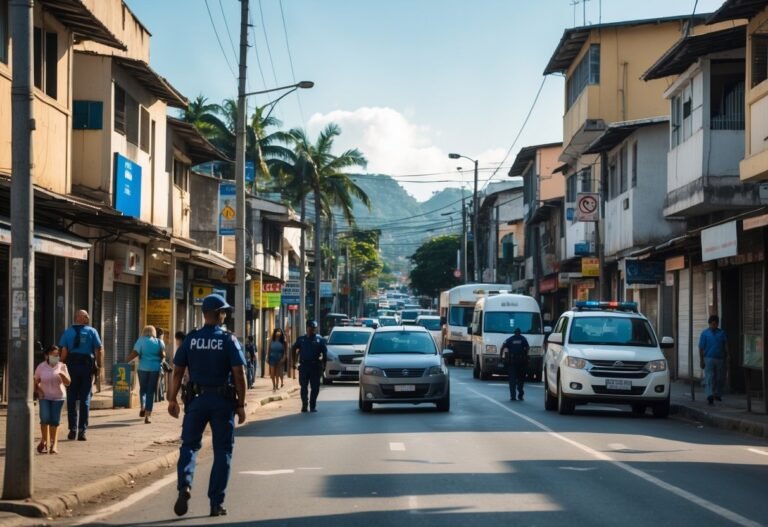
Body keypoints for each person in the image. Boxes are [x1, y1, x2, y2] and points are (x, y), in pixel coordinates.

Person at [166, 294, 247, 518]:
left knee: (189, 446)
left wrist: (172, 399)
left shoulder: (191, 339)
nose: (224, 315)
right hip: (222, 402)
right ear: (219, 314)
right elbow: (239, 373)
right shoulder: (228, 340)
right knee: (222, 451)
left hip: (196, 401)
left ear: (204, 315)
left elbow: (178, 370)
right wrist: (241, 404)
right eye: (224, 312)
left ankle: (185, 485)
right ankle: (215, 503)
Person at [59, 309, 103, 441]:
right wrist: (100, 366)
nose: (88, 318)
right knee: (84, 398)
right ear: (81, 318)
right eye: (86, 316)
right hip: (86, 366)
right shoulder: (92, 331)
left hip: (71, 365)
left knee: (71, 397)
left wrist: (61, 365)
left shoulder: (68, 332)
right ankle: (82, 431)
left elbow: (64, 351)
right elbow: (99, 349)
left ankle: (72, 430)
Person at [34, 345, 71, 454]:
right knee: (45, 418)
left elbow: (68, 382)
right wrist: (39, 390)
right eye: (53, 355)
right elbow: (35, 381)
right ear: (47, 355)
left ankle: (54, 445)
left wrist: (63, 376)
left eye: (57, 355)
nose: (56, 357)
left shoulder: (62, 366)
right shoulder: (41, 367)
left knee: (55, 421)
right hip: (44, 397)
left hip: (58, 397)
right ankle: (44, 441)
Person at [125, 325, 166, 423]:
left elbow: (135, 353)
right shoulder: (159, 342)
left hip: (142, 368)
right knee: (150, 391)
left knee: (143, 389)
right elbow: (163, 355)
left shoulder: (141, 340)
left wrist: (126, 361)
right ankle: (148, 415)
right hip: (155, 369)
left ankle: (142, 407)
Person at [292, 320, 327, 413]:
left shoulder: (319, 340)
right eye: (311, 328)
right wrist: (294, 362)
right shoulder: (301, 339)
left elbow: (325, 353)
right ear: (307, 328)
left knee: (315, 387)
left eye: (314, 328)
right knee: (303, 387)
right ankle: (304, 404)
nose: (313, 330)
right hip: (304, 366)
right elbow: (294, 348)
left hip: (315, 366)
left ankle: (312, 405)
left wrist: (324, 365)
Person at [699, 314, 728, 405]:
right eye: (712, 324)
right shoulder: (705, 333)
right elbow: (701, 348)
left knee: (719, 378)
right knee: (709, 377)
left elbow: (726, 345)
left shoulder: (722, 333)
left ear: (718, 324)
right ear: (709, 324)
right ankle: (709, 395)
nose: (713, 326)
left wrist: (729, 355)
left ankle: (718, 394)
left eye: (715, 324)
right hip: (709, 358)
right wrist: (701, 360)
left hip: (720, 358)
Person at [501, 328, 530, 401]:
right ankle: (520, 394)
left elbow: (503, 347)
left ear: (514, 333)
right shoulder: (523, 339)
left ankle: (513, 396)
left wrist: (501, 357)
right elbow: (527, 348)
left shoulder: (510, 339)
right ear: (520, 333)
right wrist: (525, 355)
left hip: (513, 362)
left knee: (512, 380)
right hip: (521, 362)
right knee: (520, 379)